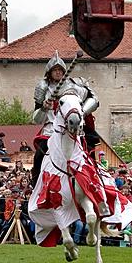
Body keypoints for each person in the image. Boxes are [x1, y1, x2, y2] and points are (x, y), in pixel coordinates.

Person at [30, 50, 100, 186]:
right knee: (39, 155)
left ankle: (95, 179)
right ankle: (36, 184)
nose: (58, 72)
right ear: (49, 72)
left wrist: (81, 112)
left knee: (88, 150)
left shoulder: (75, 84)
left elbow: (94, 100)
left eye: (60, 70)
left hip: (75, 126)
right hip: (52, 129)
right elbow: (36, 119)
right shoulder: (44, 88)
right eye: (55, 70)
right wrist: (44, 107)